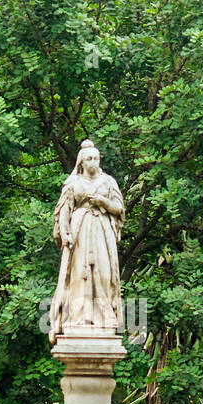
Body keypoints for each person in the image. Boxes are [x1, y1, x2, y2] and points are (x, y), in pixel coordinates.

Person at [48, 139, 124, 342]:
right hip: (80, 229)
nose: (93, 162)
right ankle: (80, 317)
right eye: (89, 158)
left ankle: (104, 317)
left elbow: (119, 208)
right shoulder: (73, 183)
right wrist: (65, 234)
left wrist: (103, 202)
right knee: (79, 274)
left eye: (96, 158)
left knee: (104, 273)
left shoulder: (108, 182)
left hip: (102, 230)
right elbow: (64, 211)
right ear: (81, 162)